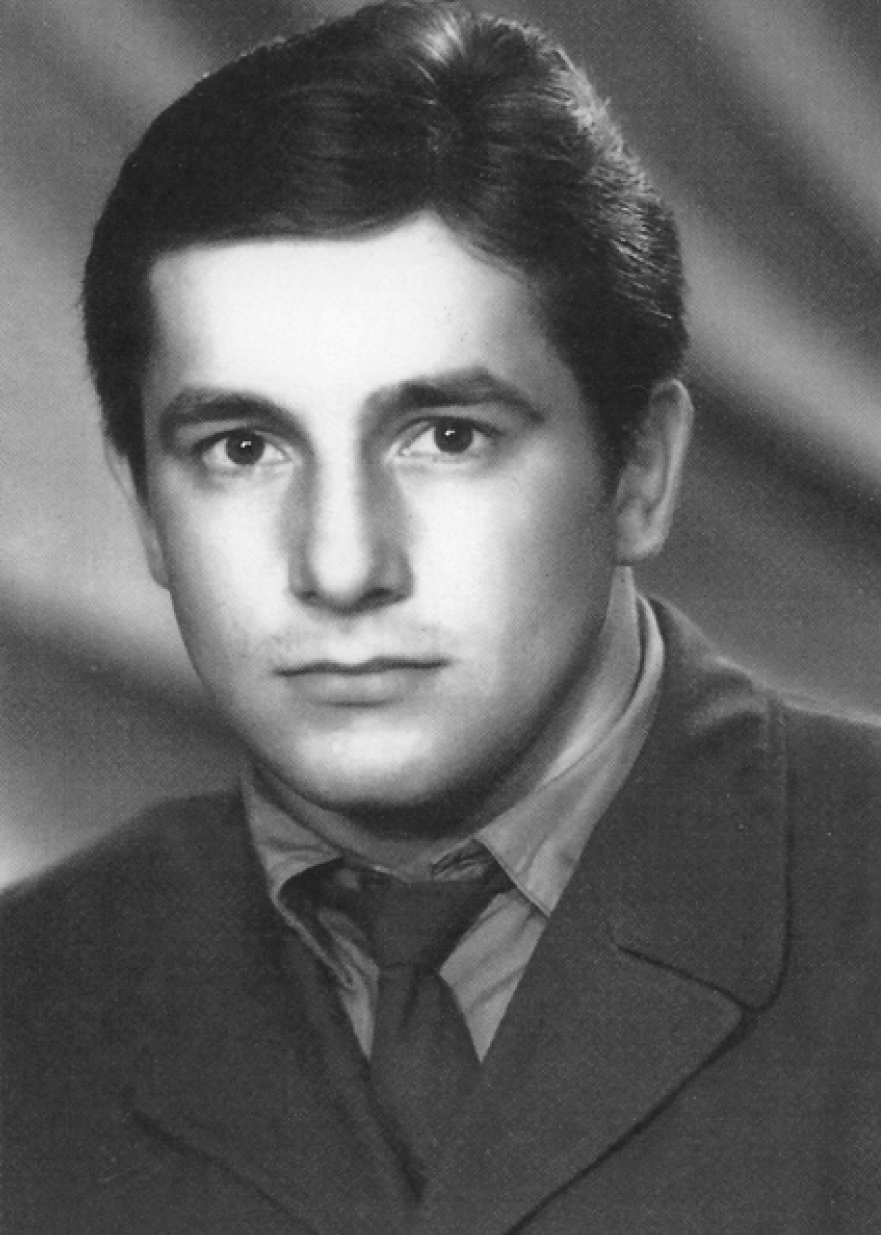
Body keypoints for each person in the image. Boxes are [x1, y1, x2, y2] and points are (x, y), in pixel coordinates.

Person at [3, 1, 881, 1231]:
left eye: (445, 436)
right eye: (242, 447)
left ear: (640, 471)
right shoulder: (29, 996)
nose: (340, 562)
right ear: (146, 507)